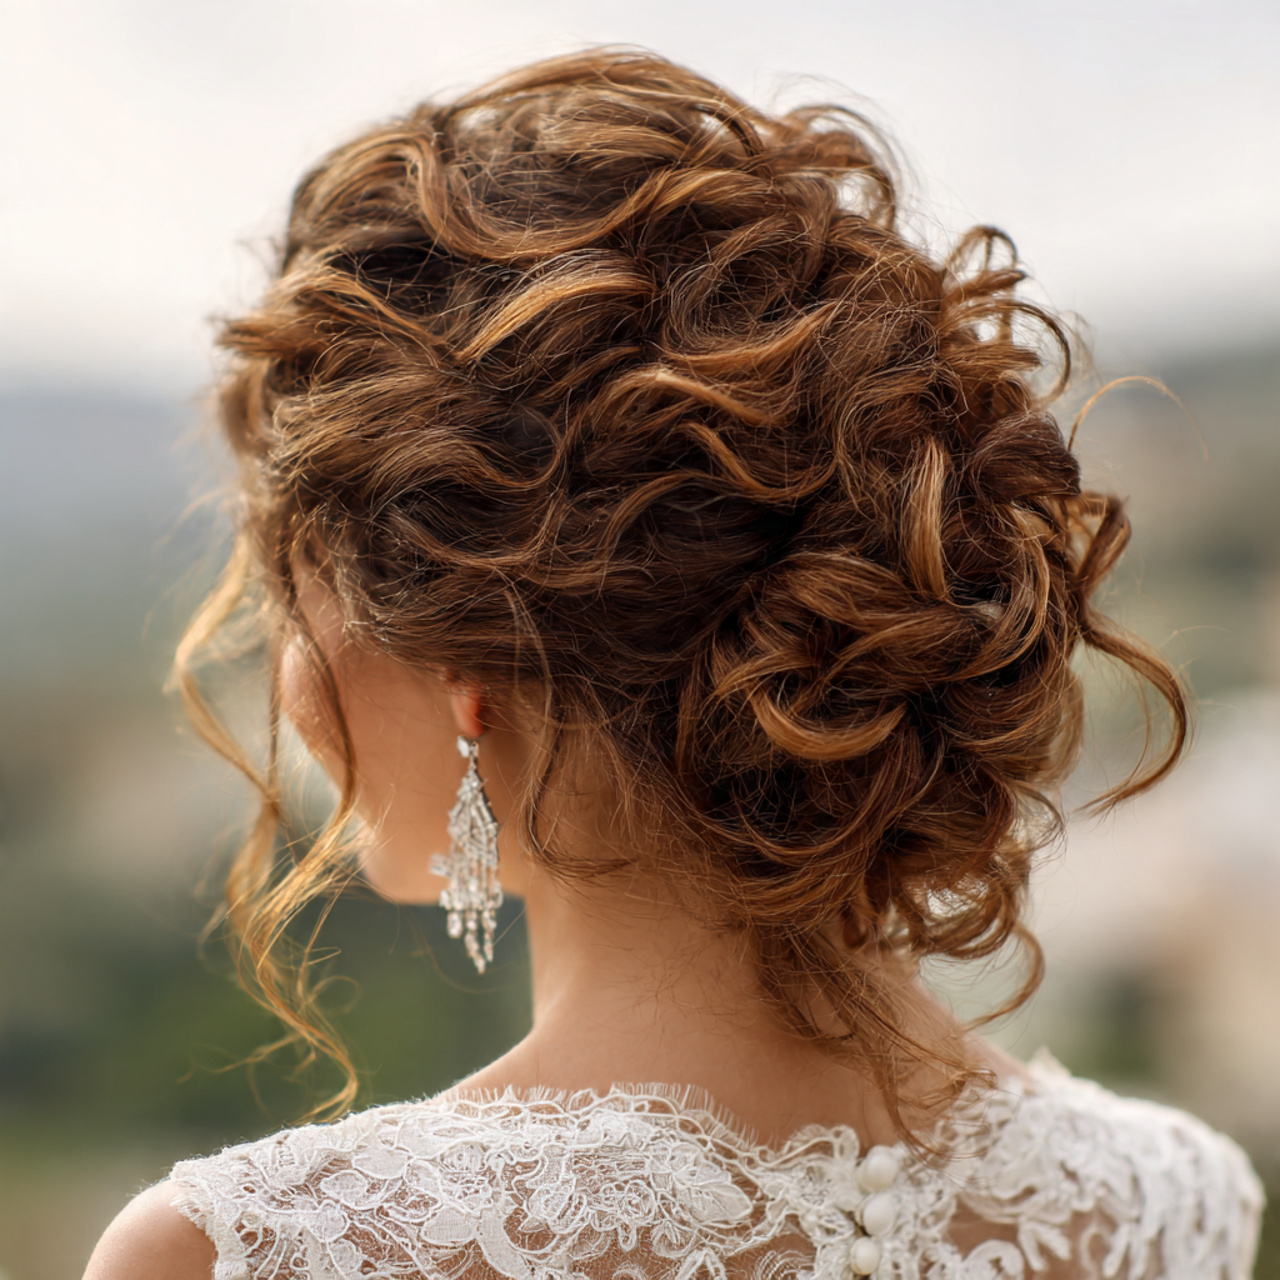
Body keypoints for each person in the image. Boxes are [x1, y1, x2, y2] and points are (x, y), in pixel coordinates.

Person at [84, 49, 1263, 1280]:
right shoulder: (1165, 1204)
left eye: (291, 594)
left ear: (460, 661)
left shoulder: (253, 1255)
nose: (284, 670)